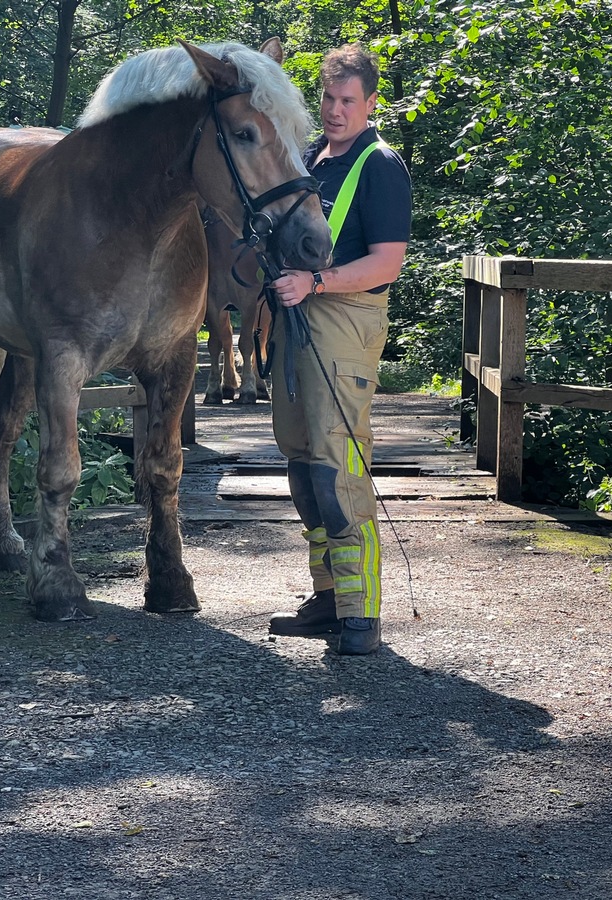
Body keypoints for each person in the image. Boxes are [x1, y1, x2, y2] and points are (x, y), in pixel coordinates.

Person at [265, 43, 412, 654]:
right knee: (302, 466)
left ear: (371, 103)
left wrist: (316, 282)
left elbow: (389, 263)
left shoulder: (380, 165)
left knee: (337, 467)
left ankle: (361, 615)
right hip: (296, 320)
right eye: (327, 97)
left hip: (344, 319)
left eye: (347, 100)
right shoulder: (306, 159)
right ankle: (327, 598)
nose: (334, 109)